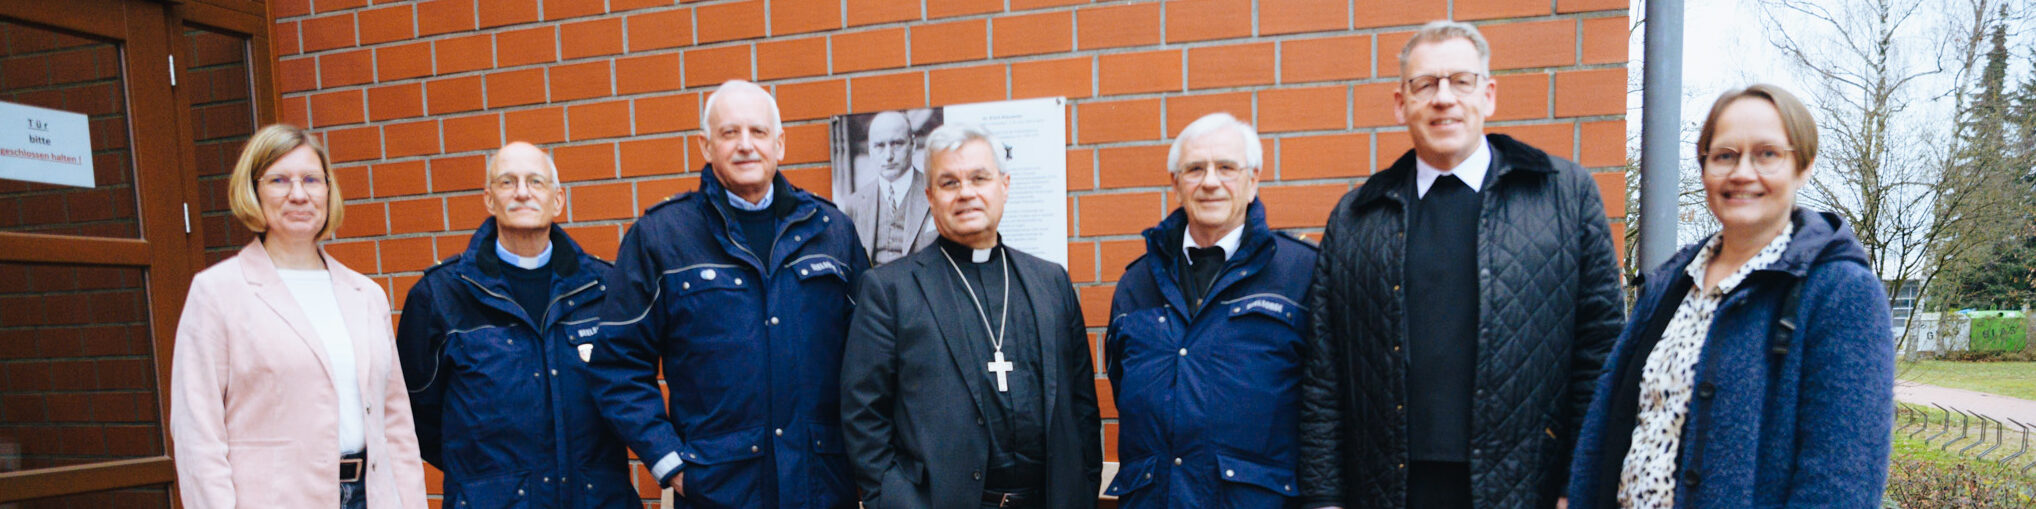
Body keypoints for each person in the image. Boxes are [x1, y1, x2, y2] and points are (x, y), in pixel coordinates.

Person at [1299, 20, 1624, 509]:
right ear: (1401, 103)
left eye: (1461, 81)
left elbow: (1601, 353)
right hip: (1388, 489)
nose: (1443, 98)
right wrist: (1324, 499)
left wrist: (1576, 486)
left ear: (1487, 95)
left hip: (1524, 489)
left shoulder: (1565, 196)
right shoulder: (1356, 217)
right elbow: (1324, 376)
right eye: (1425, 84)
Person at [1565, 85, 1894, 508]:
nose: (1742, 172)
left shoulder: (1840, 293)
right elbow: (1603, 428)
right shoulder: (1673, 281)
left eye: (1767, 154)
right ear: (1704, 167)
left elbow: (1842, 480)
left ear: (1804, 165)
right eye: (1724, 155)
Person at [587, 80, 867, 509]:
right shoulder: (661, 237)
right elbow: (617, 366)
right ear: (706, 145)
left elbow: (871, 362)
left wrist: (866, 463)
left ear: (779, 144)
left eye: (758, 132)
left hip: (822, 487)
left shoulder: (832, 231)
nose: (745, 145)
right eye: (729, 133)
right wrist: (669, 463)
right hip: (717, 490)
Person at [841, 122, 1103, 509]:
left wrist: (1082, 489)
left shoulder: (1051, 282)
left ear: (1004, 185)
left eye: (979, 178)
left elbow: (1082, 408)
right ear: (930, 196)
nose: (966, 193)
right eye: (949, 183)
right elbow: (863, 415)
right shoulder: (889, 290)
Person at [169, 124, 427, 509]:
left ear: (328, 190)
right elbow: (198, 433)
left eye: (311, 180)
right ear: (253, 190)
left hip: (372, 497)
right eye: (279, 180)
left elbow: (396, 424)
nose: (299, 194)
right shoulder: (217, 293)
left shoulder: (366, 295)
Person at [395, 141, 639, 508]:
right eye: (507, 182)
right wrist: (488, 480)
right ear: (489, 199)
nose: (522, 192)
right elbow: (414, 418)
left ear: (558, 200)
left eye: (536, 181)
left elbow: (633, 389)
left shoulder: (604, 289)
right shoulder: (440, 297)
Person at [1103, 112, 1317, 507]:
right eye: (1195, 169)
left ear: (1253, 181)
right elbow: (1123, 387)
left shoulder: (1300, 273)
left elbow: (1326, 409)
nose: (1210, 182)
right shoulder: (1137, 285)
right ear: (1176, 184)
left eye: (1227, 168)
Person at [846, 110, 938, 265]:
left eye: (897, 144)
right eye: (879, 146)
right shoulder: (854, 204)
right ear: (870, 150)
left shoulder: (937, 194)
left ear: (913, 145)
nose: (888, 155)